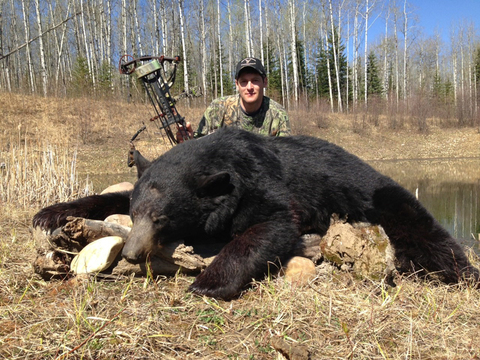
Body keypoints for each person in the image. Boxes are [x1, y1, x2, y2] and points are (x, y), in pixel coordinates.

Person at [177, 57, 291, 141]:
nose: (249, 87)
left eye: (255, 80)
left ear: (264, 82)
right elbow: (199, 146)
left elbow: (285, 155)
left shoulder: (278, 114)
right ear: (237, 84)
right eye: (244, 82)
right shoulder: (218, 107)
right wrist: (188, 139)